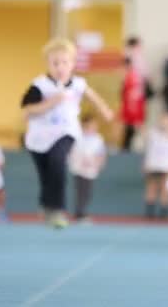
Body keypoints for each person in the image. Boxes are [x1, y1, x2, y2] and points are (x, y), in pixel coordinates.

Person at [21, 38, 114, 229]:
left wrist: (104, 110)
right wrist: (50, 103)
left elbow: (91, 96)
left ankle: (57, 210)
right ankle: (46, 204)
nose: (60, 67)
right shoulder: (39, 85)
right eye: (55, 63)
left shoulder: (78, 84)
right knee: (46, 173)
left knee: (58, 162)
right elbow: (27, 109)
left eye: (65, 62)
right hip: (39, 137)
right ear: (48, 64)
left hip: (66, 132)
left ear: (72, 64)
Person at [69, 115, 107, 222]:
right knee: (80, 190)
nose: (92, 127)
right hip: (78, 168)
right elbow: (72, 152)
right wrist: (80, 161)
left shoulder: (98, 138)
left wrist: (99, 163)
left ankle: (81, 211)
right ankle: (79, 212)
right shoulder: (77, 137)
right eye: (89, 126)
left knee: (87, 192)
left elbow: (101, 153)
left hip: (91, 169)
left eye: (94, 125)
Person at [143, 113, 168, 219]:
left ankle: (164, 213)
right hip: (153, 165)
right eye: (163, 120)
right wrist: (145, 164)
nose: (165, 123)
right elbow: (149, 149)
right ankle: (149, 212)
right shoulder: (153, 133)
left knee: (165, 189)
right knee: (151, 188)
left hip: (166, 166)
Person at [120, 57, 145, 152]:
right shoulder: (132, 77)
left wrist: (135, 117)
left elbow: (134, 99)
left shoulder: (132, 78)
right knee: (129, 136)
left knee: (131, 136)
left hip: (132, 113)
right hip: (132, 113)